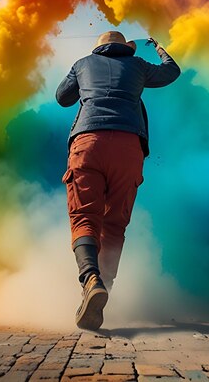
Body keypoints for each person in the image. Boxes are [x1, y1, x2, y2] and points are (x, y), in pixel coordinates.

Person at [56, 30, 181, 330]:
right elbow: (171, 72)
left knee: (85, 217)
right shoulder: (137, 65)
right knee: (114, 223)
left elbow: (62, 98)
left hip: (89, 143)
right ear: (125, 48)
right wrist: (161, 49)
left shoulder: (83, 63)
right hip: (129, 147)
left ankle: (91, 280)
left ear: (98, 49)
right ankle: (104, 290)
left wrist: (83, 81)